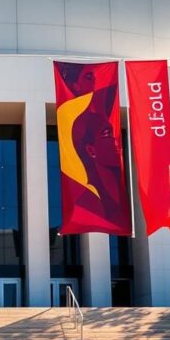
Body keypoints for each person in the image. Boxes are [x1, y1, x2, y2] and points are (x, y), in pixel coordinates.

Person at [56, 62, 131, 233]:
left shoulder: (116, 199)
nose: (116, 142)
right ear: (91, 150)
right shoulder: (87, 202)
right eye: (107, 136)